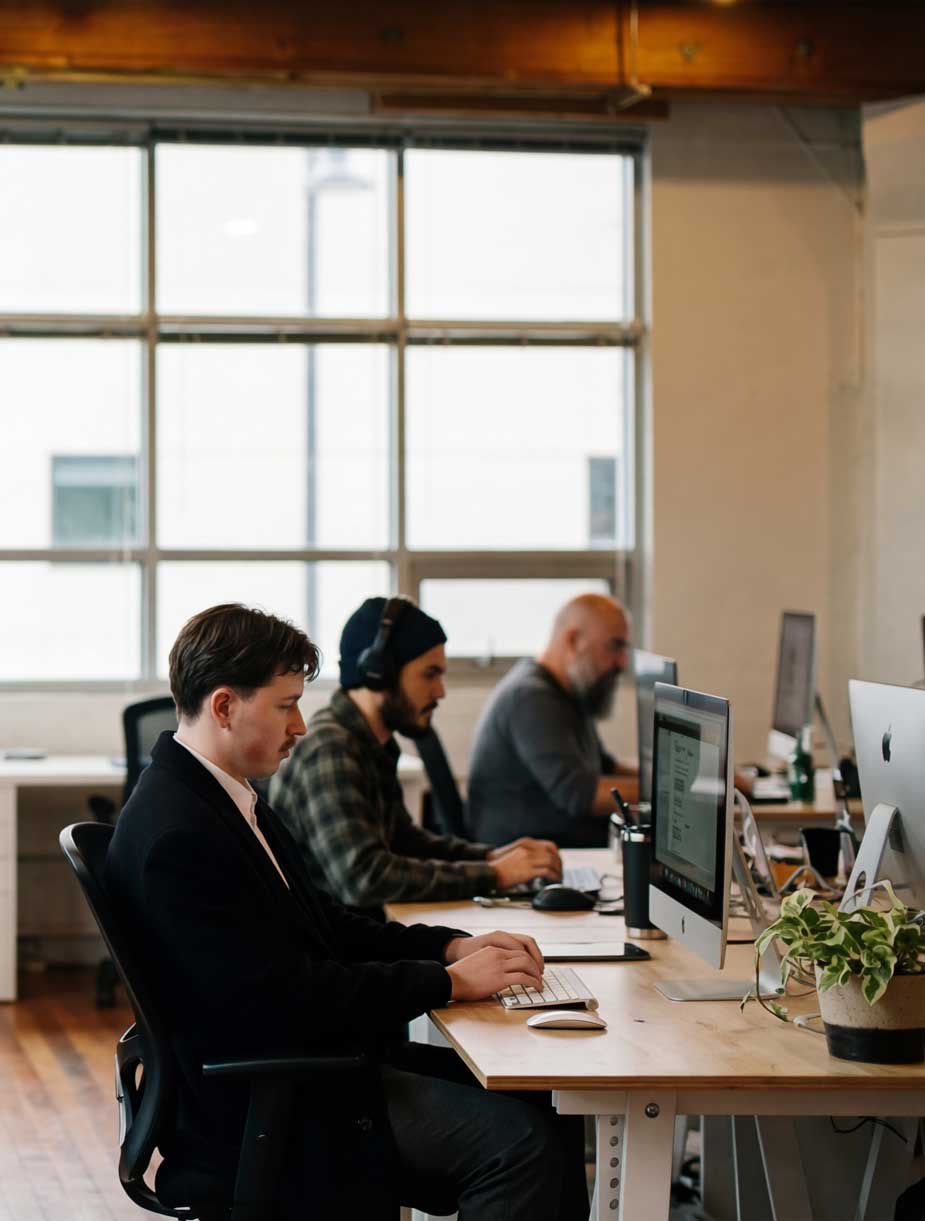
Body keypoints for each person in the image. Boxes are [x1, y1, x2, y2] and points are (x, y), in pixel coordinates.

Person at [104, 603, 586, 1220]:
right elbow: (284, 997)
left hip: (302, 1067)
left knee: (555, 1101)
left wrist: (447, 947)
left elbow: (322, 924)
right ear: (225, 707)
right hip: (267, 1103)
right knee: (521, 1145)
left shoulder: (218, 796)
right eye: (285, 706)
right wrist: (446, 984)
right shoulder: (180, 836)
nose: (300, 725)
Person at [270, 595, 562, 917]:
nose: (440, 691)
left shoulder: (370, 742)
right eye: (429, 674)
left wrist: (490, 858)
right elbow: (366, 878)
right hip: (335, 950)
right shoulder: (330, 749)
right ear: (379, 673)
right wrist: (496, 875)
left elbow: (402, 839)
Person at [467, 593, 638, 848]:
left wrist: (660, 777)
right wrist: (667, 796)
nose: (622, 662)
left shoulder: (568, 691)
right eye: (614, 646)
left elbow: (605, 766)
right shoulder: (532, 698)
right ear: (573, 640)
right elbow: (580, 795)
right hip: (528, 854)